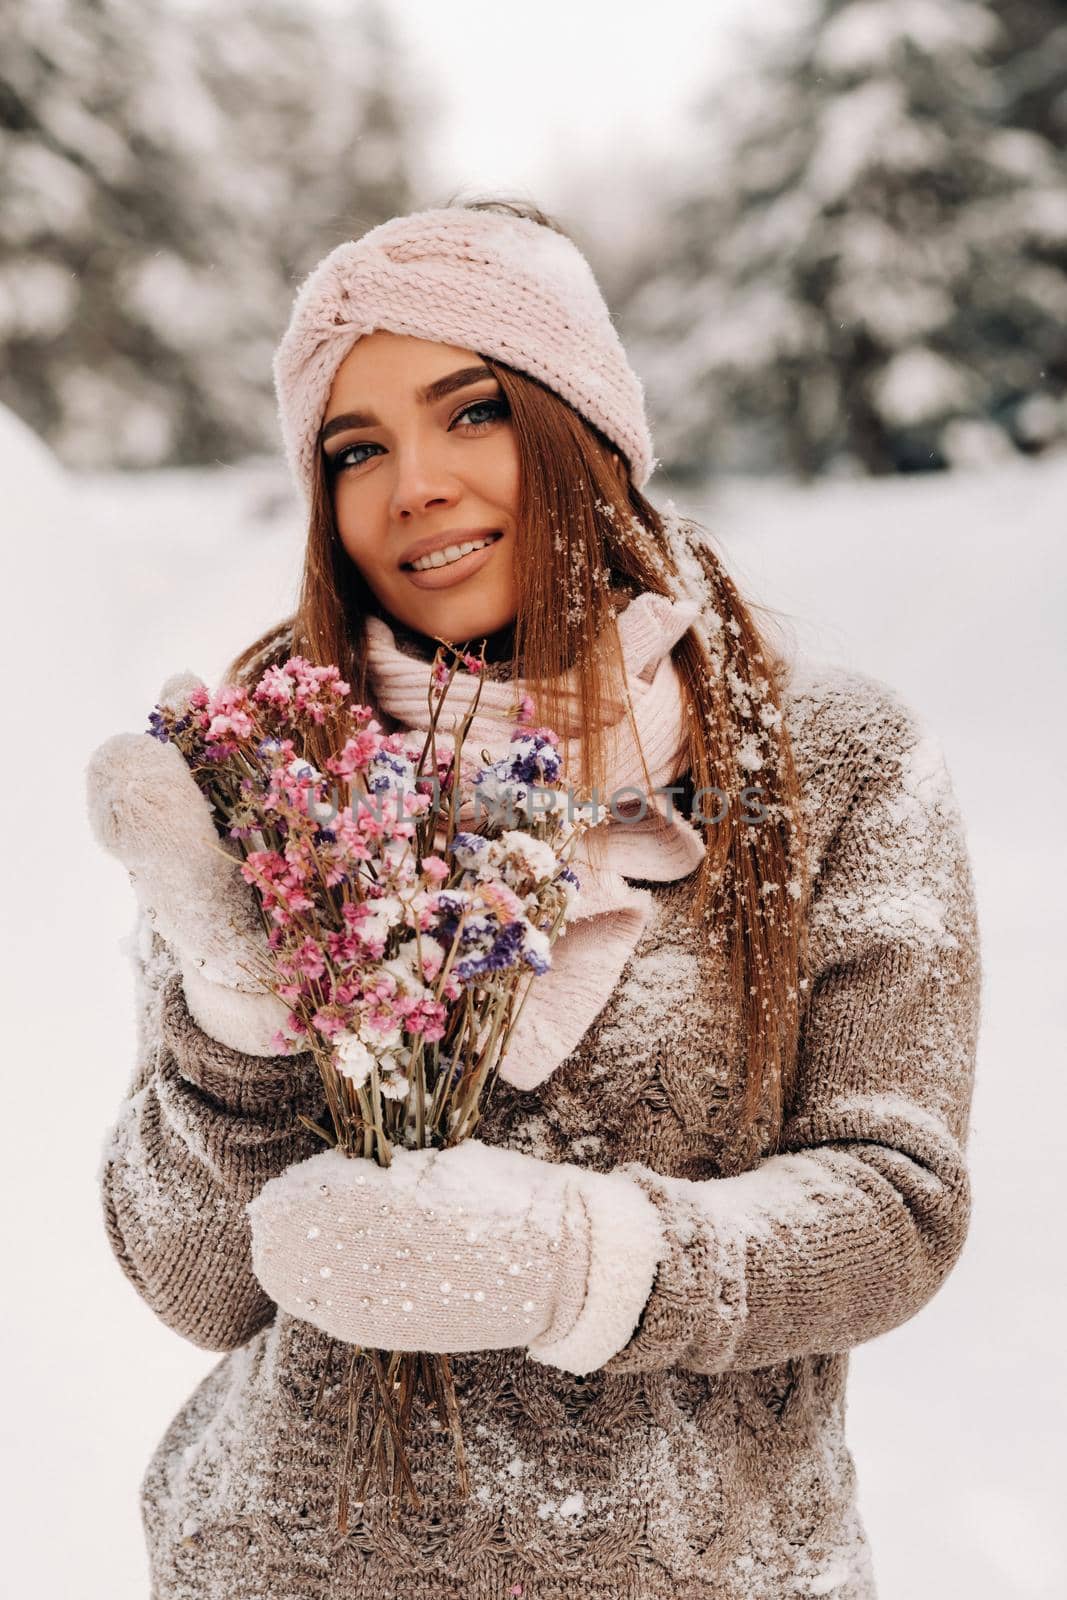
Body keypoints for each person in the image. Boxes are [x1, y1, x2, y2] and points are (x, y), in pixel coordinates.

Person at [85, 197, 982, 1600]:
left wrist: (587, 1263)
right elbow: (202, 1289)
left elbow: (896, 1204)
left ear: (585, 428)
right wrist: (236, 1011)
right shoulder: (278, 777)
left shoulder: (830, 763)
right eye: (355, 447)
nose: (414, 485)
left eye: (474, 413)